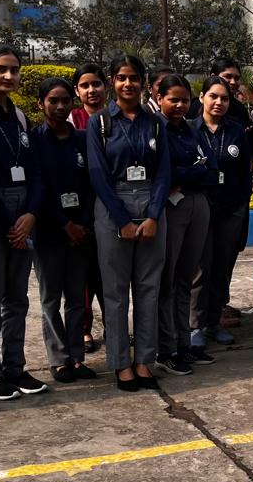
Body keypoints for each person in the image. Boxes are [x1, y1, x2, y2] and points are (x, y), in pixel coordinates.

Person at [88, 54, 170, 392]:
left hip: (150, 202)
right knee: (116, 292)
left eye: (134, 77)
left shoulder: (155, 123)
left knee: (149, 290)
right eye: (121, 77)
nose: (127, 84)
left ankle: (144, 360)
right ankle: (121, 363)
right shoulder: (100, 123)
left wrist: (153, 215)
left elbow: (164, 171)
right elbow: (97, 174)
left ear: (142, 81)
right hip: (113, 206)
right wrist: (121, 219)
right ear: (112, 82)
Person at [0, 44, 46, 401]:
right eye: (1, 68)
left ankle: (15, 368)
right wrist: (8, 222)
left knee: (17, 298)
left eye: (14, 69)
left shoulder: (19, 117)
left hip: (23, 212)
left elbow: (35, 172)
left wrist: (29, 214)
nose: (9, 75)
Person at [33, 77, 97, 384]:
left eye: (65, 101)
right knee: (50, 299)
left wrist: (81, 224)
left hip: (80, 233)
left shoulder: (82, 140)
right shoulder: (34, 141)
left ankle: (76, 356)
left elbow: (92, 184)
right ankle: (58, 359)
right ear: (41, 104)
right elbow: (38, 188)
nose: (60, 106)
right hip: (49, 231)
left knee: (76, 299)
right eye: (53, 101)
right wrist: (64, 224)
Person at [154, 74, 219, 376]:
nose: (180, 105)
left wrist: (188, 172)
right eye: (173, 99)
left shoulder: (192, 129)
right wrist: (193, 170)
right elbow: (165, 172)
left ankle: (184, 343)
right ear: (160, 98)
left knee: (186, 278)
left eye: (184, 100)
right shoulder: (157, 129)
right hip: (171, 208)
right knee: (166, 280)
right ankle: (165, 348)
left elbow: (212, 169)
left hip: (196, 204)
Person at [190, 76, 252, 351]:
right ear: (201, 97)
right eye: (213, 96)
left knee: (222, 268)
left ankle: (214, 322)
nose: (218, 102)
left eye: (224, 98)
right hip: (201, 210)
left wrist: (241, 206)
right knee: (200, 269)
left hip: (230, 210)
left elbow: (245, 173)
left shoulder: (236, 131)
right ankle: (195, 325)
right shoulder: (190, 130)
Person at [71, 62, 107, 352]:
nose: (91, 90)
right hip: (82, 206)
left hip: (111, 205)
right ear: (77, 91)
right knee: (82, 274)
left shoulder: (116, 118)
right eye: (85, 85)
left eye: (96, 83)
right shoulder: (72, 119)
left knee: (110, 273)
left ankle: (113, 324)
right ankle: (84, 329)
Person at [210, 57, 252, 128]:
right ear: (213, 77)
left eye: (237, 78)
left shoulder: (241, 110)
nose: (233, 82)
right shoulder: (195, 106)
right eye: (228, 76)